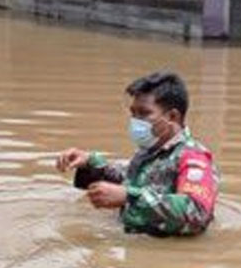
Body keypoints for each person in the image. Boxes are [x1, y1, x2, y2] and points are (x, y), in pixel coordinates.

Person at [55, 71, 220, 237]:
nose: (135, 120)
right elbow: (128, 180)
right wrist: (90, 162)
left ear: (172, 116)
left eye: (144, 113)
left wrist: (129, 197)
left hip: (163, 256)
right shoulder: (149, 150)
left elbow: (196, 211)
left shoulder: (194, 156)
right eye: (133, 113)